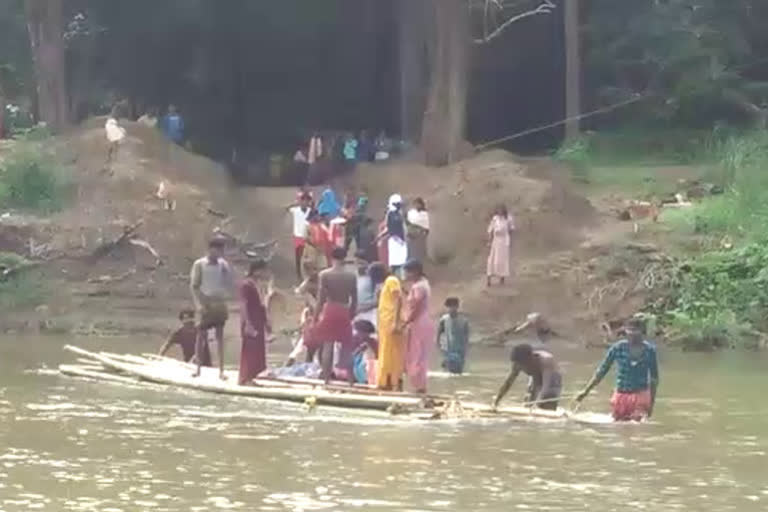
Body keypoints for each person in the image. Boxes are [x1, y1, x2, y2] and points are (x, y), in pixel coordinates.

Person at [576, 317, 659, 421]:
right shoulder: (618, 348)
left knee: (637, 427)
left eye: (636, 330)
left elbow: (654, 379)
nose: (632, 334)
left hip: (640, 395)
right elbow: (602, 371)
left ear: (642, 332)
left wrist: (651, 403)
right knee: (618, 426)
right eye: (630, 330)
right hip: (621, 395)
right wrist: (585, 391)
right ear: (625, 331)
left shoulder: (649, 350)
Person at [310, 247, 357, 383]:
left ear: (332, 258)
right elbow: (354, 299)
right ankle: (350, 381)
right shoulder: (351, 276)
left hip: (330, 309)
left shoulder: (324, 275)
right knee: (347, 345)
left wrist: (315, 318)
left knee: (328, 345)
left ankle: (326, 380)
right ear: (344, 258)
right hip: (344, 310)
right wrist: (351, 314)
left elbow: (320, 299)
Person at [190, 237, 235, 380]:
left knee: (220, 337)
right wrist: (199, 305)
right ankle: (197, 369)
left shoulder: (223, 265)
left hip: (219, 303)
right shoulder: (199, 264)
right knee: (201, 336)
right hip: (205, 302)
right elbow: (194, 286)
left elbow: (229, 281)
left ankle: (221, 370)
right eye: (216, 250)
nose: (219, 254)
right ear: (210, 249)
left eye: (221, 251)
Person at [492, 343, 563, 411]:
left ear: (530, 358)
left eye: (523, 364)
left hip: (552, 378)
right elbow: (508, 383)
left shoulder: (546, 361)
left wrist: (537, 404)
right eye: (518, 364)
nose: (521, 366)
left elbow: (546, 386)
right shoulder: (517, 364)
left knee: (548, 398)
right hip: (535, 377)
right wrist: (497, 400)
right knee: (528, 400)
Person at [238, 260, 273, 385]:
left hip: (258, 319)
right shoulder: (246, 284)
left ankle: (252, 377)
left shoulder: (257, 284)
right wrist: (247, 323)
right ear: (256, 270)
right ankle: (245, 378)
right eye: (263, 270)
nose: (265, 273)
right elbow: (243, 304)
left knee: (258, 350)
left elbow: (261, 305)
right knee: (249, 350)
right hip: (250, 320)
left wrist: (266, 322)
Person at [401, 260, 433, 394]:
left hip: (419, 323)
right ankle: (420, 387)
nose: (406, 275)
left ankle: (419, 388)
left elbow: (417, 307)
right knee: (419, 355)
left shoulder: (419, 287)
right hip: (423, 322)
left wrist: (407, 321)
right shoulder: (423, 284)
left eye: (408, 272)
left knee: (416, 355)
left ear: (415, 272)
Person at [376, 268, 405, 391]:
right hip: (385, 324)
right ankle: (385, 383)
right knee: (386, 354)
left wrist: (395, 322)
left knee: (392, 355)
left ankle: (394, 383)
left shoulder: (391, 280)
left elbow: (399, 299)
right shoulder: (387, 283)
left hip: (391, 323)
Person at [436, 297, 470, 375]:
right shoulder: (443, 320)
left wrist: (465, 352)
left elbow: (466, 337)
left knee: (458, 373)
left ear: (457, 307)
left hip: (459, 351)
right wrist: (439, 347)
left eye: (453, 306)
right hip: (447, 350)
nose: (452, 308)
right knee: (447, 373)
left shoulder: (464, 321)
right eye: (450, 306)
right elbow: (438, 334)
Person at [487, 204, 515, 287]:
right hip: (496, 241)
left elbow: (512, 229)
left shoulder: (508, 218)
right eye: (498, 210)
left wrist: (508, 237)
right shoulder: (495, 219)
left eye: (501, 210)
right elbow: (490, 229)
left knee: (502, 259)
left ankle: (502, 277)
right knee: (492, 259)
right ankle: (489, 278)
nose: (500, 212)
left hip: (504, 241)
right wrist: (489, 240)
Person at [380, 194, 408, 276]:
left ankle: (401, 277)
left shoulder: (399, 213)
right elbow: (390, 228)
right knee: (394, 260)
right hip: (394, 240)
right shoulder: (390, 214)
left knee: (402, 259)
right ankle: (393, 275)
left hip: (402, 240)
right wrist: (396, 239)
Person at [287, 192, 313, 282]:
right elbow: (286, 208)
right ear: (300, 201)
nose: (305, 202)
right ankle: (298, 274)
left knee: (308, 257)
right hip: (298, 236)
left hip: (308, 237)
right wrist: (295, 203)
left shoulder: (311, 210)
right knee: (298, 256)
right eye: (303, 200)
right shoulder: (295, 210)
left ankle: (308, 275)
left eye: (307, 200)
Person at [351, 319, 379, 385]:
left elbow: (377, 356)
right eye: (361, 332)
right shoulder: (353, 339)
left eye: (366, 333)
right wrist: (359, 350)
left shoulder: (372, 342)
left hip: (368, 364)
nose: (363, 335)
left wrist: (369, 347)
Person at [406, 197, 430, 263]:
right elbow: (408, 224)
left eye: (417, 204)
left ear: (421, 204)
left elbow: (427, 226)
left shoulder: (425, 214)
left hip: (421, 237)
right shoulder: (411, 213)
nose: (416, 206)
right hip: (412, 237)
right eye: (415, 204)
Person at [104, 106, 126, 173]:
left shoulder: (112, 118)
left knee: (111, 150)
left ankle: (109, 167)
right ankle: (110, 167)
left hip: (112, 131)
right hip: (113, 131)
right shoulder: (113, 118)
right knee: (113, 150)